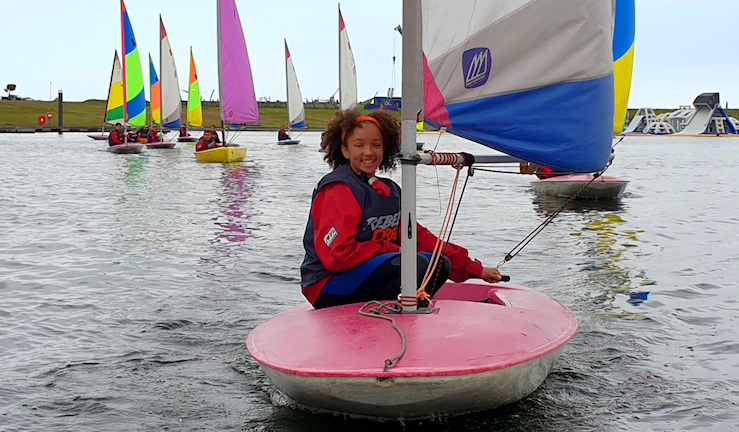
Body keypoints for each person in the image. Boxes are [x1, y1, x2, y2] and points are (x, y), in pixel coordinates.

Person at [300, 109, 502, 309]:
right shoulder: (339, 189)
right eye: (359, 145)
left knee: (440, 264)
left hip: (364, 273)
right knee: (414, 263)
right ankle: (387, 313)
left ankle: (402, 312)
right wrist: (390, 248)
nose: (369, 152)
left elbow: (418, 238)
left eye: (376, 145)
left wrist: (473, 268)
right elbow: (337, 257)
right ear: (345, 150)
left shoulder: (390, 190)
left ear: (385, 148)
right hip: (328, 284)